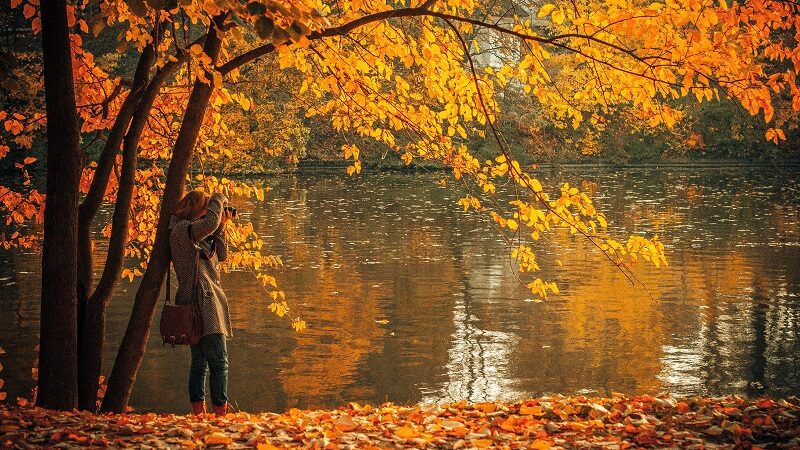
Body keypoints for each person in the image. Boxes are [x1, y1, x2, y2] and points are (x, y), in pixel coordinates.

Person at [169, 189, 234, 416]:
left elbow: (223, 255)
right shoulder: (181, 231)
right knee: (219, 362)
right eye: (206, 207)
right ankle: (220, 414)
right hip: (199, 302)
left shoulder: (198, 235)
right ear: (197, 208)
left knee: (201, 363)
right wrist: (218, 198)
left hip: (206, 300)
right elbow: (209, 222)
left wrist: (221, 226)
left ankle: (201, 414)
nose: (210, 213)